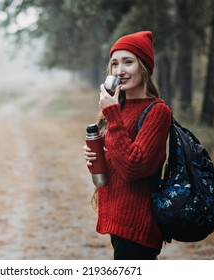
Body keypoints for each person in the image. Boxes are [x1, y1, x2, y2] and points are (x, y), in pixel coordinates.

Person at [83, 31, 172, 260]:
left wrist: (111, 114)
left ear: (144, 67)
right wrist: (95, 157)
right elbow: (117, 160)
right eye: (115, 64)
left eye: (128, 62)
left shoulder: (157, 111)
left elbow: (134, 166)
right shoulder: (118, 109)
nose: (120, 70)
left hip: (138, 226)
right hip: (117, 219)